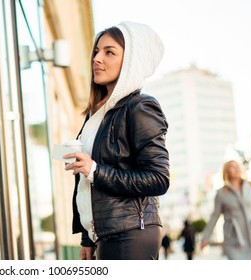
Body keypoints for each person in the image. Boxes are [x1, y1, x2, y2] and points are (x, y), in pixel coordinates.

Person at [64, 21, 169, 260]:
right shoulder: (97, 115)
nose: (97, 58)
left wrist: (95, 170)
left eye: (109, 52)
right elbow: (88, 186)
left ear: (131, 61)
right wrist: (87, 238)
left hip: (131, 233)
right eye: (97, 51)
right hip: (107, 234)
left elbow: (158, 179)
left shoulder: (140, 107)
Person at [200, 160, 251, 259]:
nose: (237, 169)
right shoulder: (221, 193)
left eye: (238, 166)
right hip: (233, 239)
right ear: (226, 172)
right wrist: (205, 237)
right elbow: (214, 216)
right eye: (232, 167)